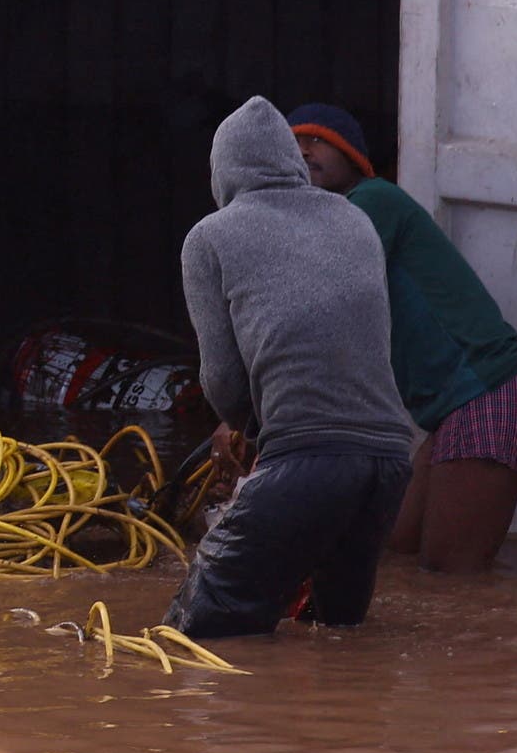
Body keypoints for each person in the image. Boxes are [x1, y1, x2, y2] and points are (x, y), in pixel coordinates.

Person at [164, 97, 417, 638]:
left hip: (308, 459)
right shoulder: (354, 220)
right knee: (337, 634)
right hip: (390, 462)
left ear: (221, 171)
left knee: (194, 633)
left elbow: (223, 379)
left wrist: (245, 432)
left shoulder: (211, 236)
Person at [287, 102, 517, 574]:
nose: (305, 149)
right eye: (293, 143)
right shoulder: (328, 227)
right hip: (459, 411)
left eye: (317, 139)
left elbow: (312, 304)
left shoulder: (373, 202)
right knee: (399, 551)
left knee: (450, 578)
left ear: (354, 156)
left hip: (492, 396)